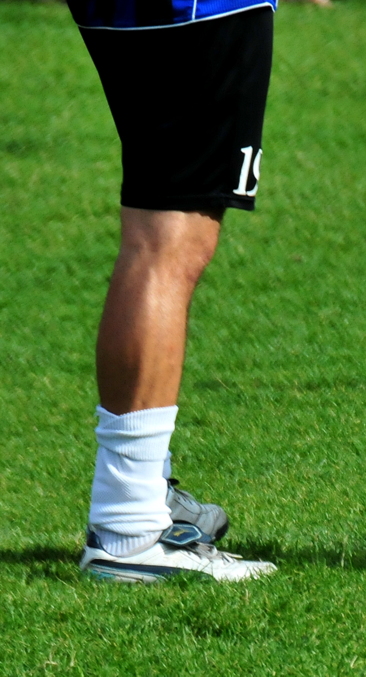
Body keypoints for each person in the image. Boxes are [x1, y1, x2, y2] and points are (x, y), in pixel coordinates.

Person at [66, 0, 280, 582]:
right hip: (199, 10)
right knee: (168, 239)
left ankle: (143, 493)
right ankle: (129, 529)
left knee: (156, 229)